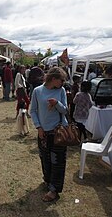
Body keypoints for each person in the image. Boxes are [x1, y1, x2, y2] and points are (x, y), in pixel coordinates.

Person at [30, 66, 68, 202]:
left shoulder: (61, 91)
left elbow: (65, 110)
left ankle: (54, 190)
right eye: (61, 80)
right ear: (53, 79)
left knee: (58, 161)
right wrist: (38, 127)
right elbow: (33, 110)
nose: (63, 83)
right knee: (45, 158)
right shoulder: (37, 91)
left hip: (59, 132)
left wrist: (57, 103)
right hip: (43, 133)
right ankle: (48, 180)